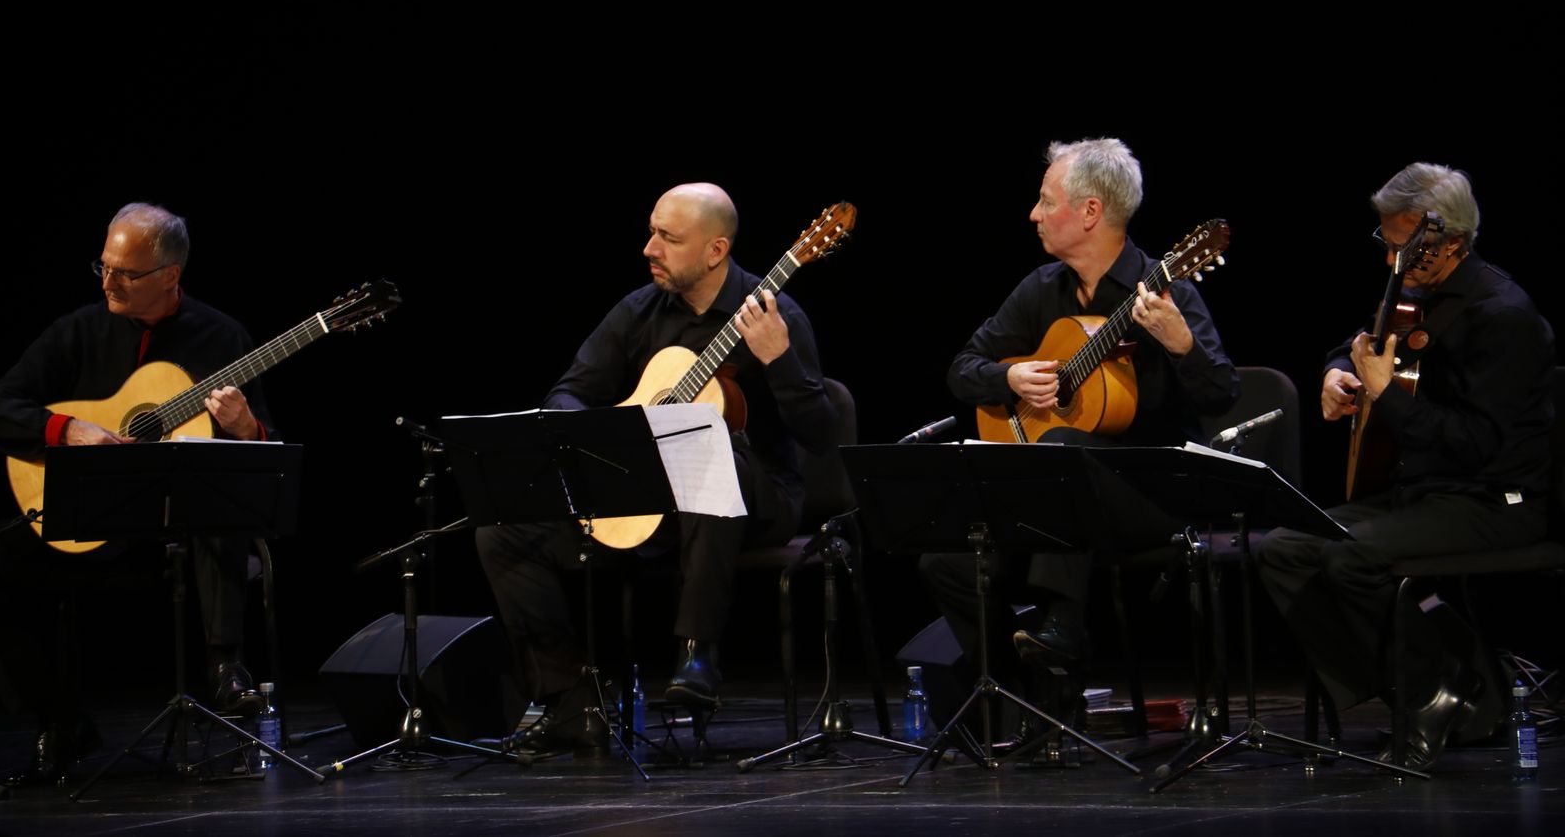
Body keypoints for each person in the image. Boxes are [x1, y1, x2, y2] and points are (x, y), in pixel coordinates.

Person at [475, 183, 837, 751]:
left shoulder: (774, 314)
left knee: (708, 456)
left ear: (715, 251)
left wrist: (779, 359)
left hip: (757, 495)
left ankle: (697, 655)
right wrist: (607, 431)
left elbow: (821, 434)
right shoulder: (639, 311)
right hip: (652, 495)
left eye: (668, 238)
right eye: (651, 231)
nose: (650, 247)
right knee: (503, 531)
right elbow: (568, 394)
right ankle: (573, 697)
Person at [923, 138, 1238, 728]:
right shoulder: (1041, 289)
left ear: (1090, 212)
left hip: (1151, 492)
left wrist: (1181, 344)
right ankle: (1037, 697)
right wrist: (1008, 374)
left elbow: (1221, 393)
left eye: (1046, 201)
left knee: (1061, 451)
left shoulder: (1166, 289)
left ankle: (1064, 625)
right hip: (1058, 502)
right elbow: (961, 370)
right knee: (948, 562)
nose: (1033, 214)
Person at [0, 202, 275, 784]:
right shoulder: (78, 330)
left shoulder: (223, 338)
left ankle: (223, 665)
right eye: (103, 267)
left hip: (175, 541)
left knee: (217, 497)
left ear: (170, 276)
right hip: (84, 528)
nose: (109, 281)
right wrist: (66, 429)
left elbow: (269, 451)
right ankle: (60, 718)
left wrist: (244, 429)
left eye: (125, 273)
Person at [1258, 163, 1553, 769]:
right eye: (1386, 242)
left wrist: (1388, 395)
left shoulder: (1504, 315)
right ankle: (1434, 686)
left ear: (1445, 243)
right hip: (1423, 491)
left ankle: (1438, 689)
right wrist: (1337, 374)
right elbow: (1358, 343)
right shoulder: (1414, 294)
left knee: (1348, 557)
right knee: (1285, 546)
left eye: (1398, 244)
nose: (1389, 256)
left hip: (1494, 500)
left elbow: (1479, 444)